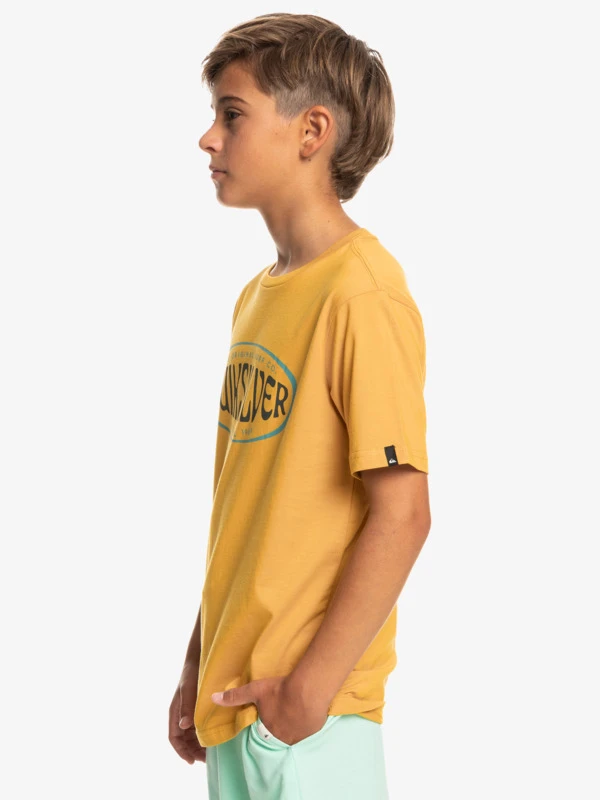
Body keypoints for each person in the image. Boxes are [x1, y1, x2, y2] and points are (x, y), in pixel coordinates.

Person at [168, 12, 431, 799]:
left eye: (232, 114)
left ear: (311, 131)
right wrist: (198, 658)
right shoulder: (258, 297)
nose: (208, 138)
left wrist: (309, 692)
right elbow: (246, 509)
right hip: (239, 707)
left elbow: (404, 513)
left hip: (311, 724)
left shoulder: (362, 294)